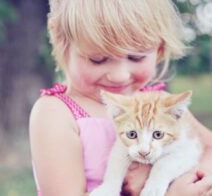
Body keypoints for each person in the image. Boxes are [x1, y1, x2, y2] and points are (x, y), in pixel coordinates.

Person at [29, 0, 212, 195]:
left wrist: (183, 179)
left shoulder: (160, 103)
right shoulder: (55, 114)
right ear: (59, 37)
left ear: (159, 47)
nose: (120, 75)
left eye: (136, 57)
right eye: (98, 59)